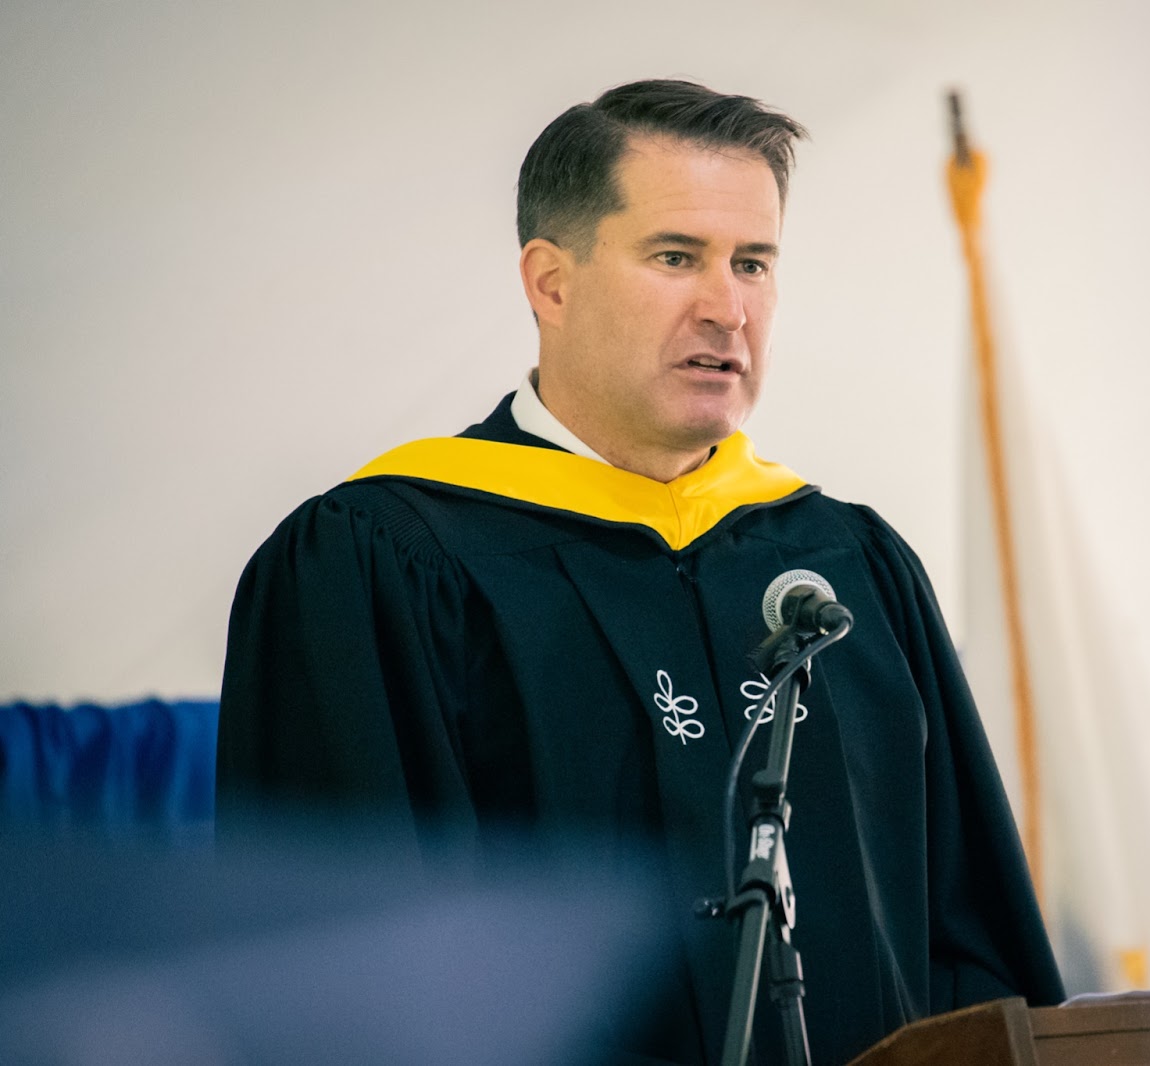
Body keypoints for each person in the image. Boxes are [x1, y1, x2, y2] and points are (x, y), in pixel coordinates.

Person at [219, 79, 1064, 1064]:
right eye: (675, 257)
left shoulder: (850, 567)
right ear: (550, 282)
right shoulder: (376, 568)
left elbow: (969, 952)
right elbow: (341, 987)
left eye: (753, 262)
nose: (727, 306)